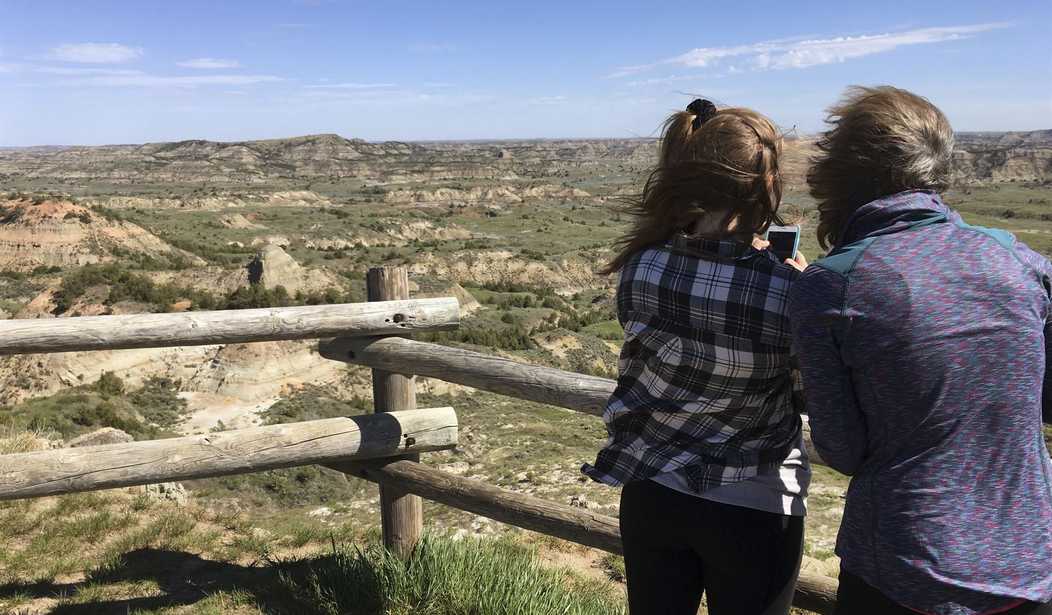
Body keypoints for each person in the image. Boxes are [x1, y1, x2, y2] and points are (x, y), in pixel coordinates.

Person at [790, 85, 1052, 615]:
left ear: (839, 174)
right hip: (1029, 560)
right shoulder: (1021, 261)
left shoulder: (831, 284)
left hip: (904, 564)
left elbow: (842, 449)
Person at [582, 99, 810, 615]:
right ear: (765, 186)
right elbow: (806, 394)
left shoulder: (641, 266)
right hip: (752, 502)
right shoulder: (787, 290)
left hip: (652, 491)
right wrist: (805, 291)